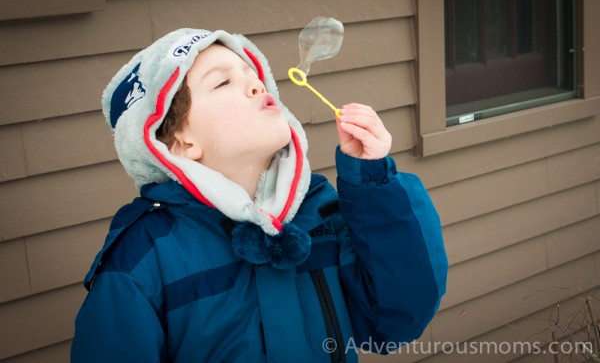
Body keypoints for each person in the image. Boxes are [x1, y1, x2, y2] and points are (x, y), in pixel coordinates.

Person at [71, 28, 448, 363]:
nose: (257, 86)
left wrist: (374, 183)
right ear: (180, 143)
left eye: (254, 76)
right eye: (222, 83)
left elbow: (395, 320)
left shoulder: (320, 213)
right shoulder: (144, 256)